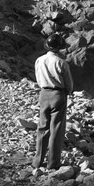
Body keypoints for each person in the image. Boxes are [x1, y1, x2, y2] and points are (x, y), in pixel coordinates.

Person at [33, 33, 73, 170]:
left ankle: (37, 161)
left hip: (44, 93)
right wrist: (68, 92)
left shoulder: (39, 60)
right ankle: (53, 163)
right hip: (58, 94)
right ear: (59, 48)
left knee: (42, 127)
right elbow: (69, 84)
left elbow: (38, 78)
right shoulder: (61, 62)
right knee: (56, 129)